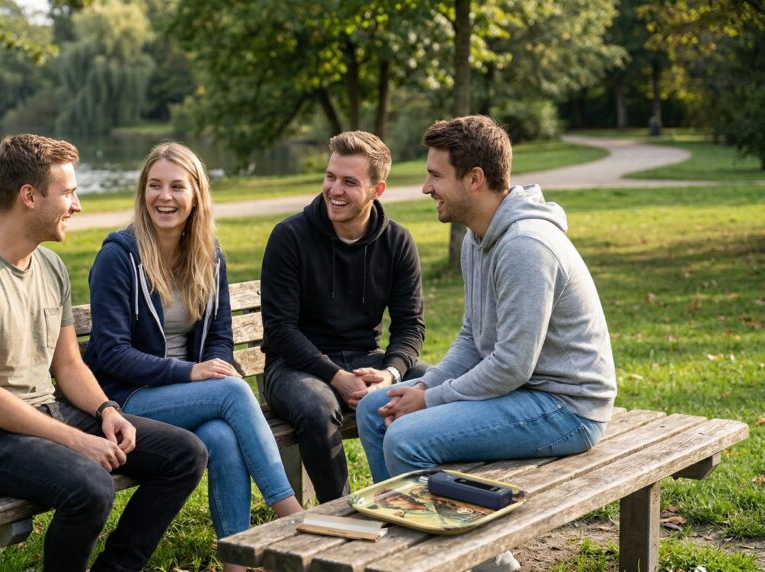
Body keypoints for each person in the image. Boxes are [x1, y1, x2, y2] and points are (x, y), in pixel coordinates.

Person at [0, 134, 207, 572]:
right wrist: (78, 441)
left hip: (43, 412)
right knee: (91, 485)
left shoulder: (50, 266)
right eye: (69, 193)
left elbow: (69, 364)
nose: (77, 205)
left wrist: (108, 411)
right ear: (29, 196)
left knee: (184, 453)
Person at [357, 115, 616, 572]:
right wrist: (426, 386)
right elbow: (473, 337)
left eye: (435, 175)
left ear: (474, 179)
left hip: (567, 407)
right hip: (525, 393)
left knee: (406, 436)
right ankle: (415, 548)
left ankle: (487, 564)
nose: (425, 187)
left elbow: (512, 364)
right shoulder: (477, 239)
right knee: (375, 411)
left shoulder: (524, 245)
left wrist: (430, 398)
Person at [84, 142, 302, 571]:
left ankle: (236, 562)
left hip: (188, 394)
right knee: (234, 393)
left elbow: (220, 337)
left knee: (221, 434)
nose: (164, 197)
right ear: (142, 192)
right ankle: (293, 519)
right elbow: (110, 353)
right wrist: (191, 372)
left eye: (177, 186)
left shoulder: (208, 255)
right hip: (127, 400)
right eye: (154, 185)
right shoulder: (118, 257)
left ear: (196, 193)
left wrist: (209, 368)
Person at [260, 130, 428, 502]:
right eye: (330, 176)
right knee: (318, 407)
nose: (334, 189)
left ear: (377, 190)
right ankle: (341, 514)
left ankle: (427, 496)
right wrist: (335, 377)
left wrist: (390, 373)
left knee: (435, 382)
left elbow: (410, 325)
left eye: (349, 182)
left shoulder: (397, 242)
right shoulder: (290, 236)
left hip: (369, 362)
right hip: (293, 367)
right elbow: (280, 330)